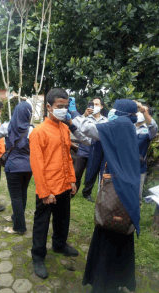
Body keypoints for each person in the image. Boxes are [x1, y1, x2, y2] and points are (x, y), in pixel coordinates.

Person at [67, 99, 140, 293]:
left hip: (116, 195)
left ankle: (104, 284)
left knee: (109, 233)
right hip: (126, 191)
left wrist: (75, 113)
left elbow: (91, 130)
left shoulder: (120, 125)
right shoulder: (127, 126)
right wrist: (73, 126)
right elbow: (89, 139)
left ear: (122, 112)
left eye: (115, 109)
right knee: (121, 236)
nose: (111, 112)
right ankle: (117, 281)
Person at [29, 88, 79, 280]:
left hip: (64, 186)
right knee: (41, 224)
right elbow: (37, 165)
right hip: (48, 189)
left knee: (63, 219)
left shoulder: (65, 128)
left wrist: (72, 180)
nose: (63, 110)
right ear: (49, 107)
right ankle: (38, 256)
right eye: (60, 106)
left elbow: (68, 157)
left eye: (66, 106)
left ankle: (59, 245)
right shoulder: (39, 133)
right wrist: (44, 191)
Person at [0, 101, 34, 234]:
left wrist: (5, 128)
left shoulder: (7, 126)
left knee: (15, 196)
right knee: (23, 193)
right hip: (28, 167)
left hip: (13, 166)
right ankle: (16, 217)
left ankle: (19, 227)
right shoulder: (32, 129)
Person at [74, 97, 108, 202]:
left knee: (92, 173)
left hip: (97, 152)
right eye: (93, 104)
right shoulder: (86, 117)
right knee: (77, 171)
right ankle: (72, 191)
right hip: (84, 149)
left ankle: (87, 193)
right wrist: (84, 115)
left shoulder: (106, 120)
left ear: (102, 107)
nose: (95, 106)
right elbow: (74, 124)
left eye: (97, 104)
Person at [134, 102, 158, 205]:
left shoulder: (149, 131)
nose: (140, 112)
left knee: (137, 196)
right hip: (125, 164)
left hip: (139, 166)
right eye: (139, 110)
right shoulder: (130, 125)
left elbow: (153, 125)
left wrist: (144, 111)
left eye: (142, 111)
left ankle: (134, 218)